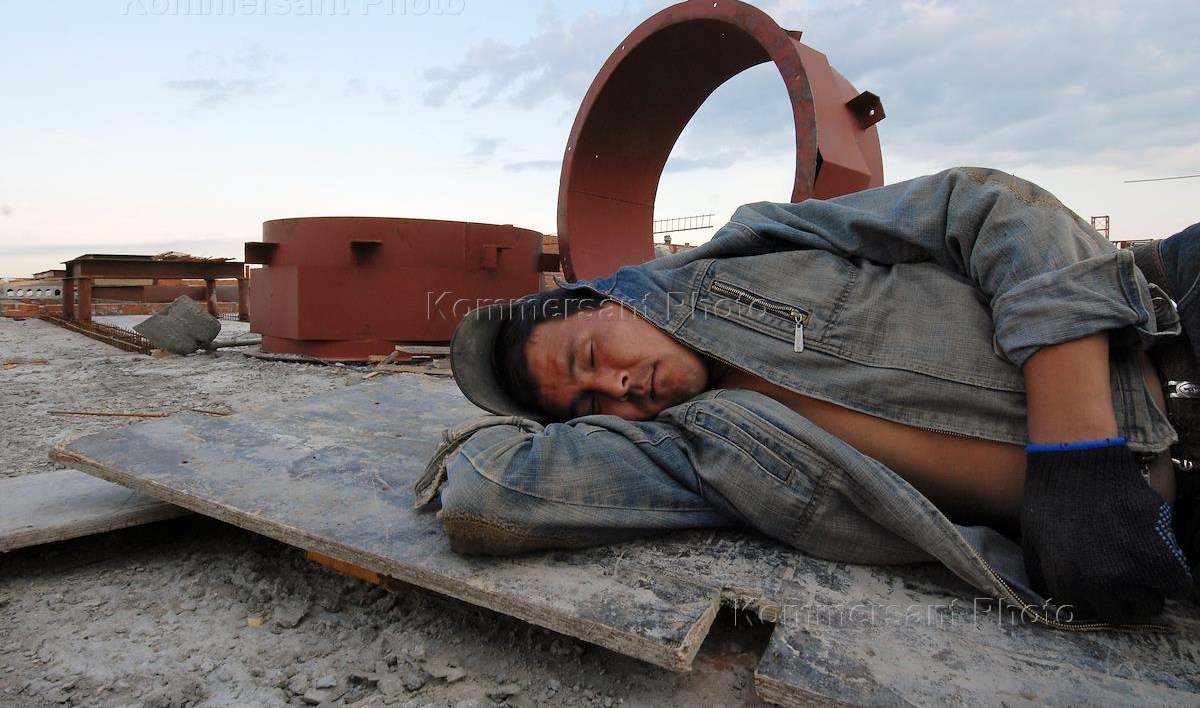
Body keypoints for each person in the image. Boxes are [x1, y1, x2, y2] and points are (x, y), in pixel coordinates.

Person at [430, 167, 1199, 626]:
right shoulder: (686, 449)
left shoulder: (755, 243)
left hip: (1174, 318)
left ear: (611, 298)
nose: (618, 387)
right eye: (589, 406)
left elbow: (987, 203)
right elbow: (488, 492)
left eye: (592, 357)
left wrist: (1077, 457)